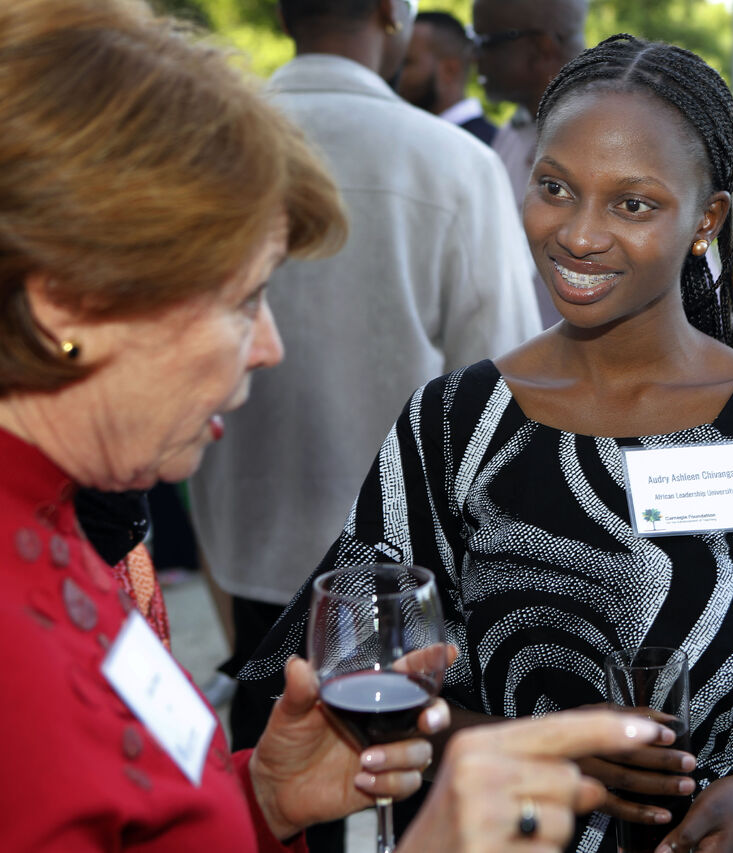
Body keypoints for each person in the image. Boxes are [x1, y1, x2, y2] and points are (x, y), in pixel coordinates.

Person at [243, 33, 733, 853]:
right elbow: (339, 664)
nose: (579, 235)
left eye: (633, 204)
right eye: (555, 187)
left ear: (706, 220)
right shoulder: (455, 421)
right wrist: (514, 742)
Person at [0, 2, 675, 850]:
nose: (270, 346)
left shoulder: (63, 528)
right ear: (66, 307)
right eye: (243, 299)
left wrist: (259, 795)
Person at [186, 0, 540, 789]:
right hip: (412, 573)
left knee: (264, 785)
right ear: (391, 13)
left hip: (248, 546)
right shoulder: (453, 162)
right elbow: (503, 387)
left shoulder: (199, 145)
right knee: (410, 790)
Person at [472, 0, 589, 328]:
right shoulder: (512, 133)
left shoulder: (621, 134)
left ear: (541, 48)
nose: (473, 56)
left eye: (485, 41)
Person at [398, 11, 498, 146]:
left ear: (449, 70)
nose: (395, 74)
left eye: (406, 63)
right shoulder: (408, 134)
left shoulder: (490, 146)